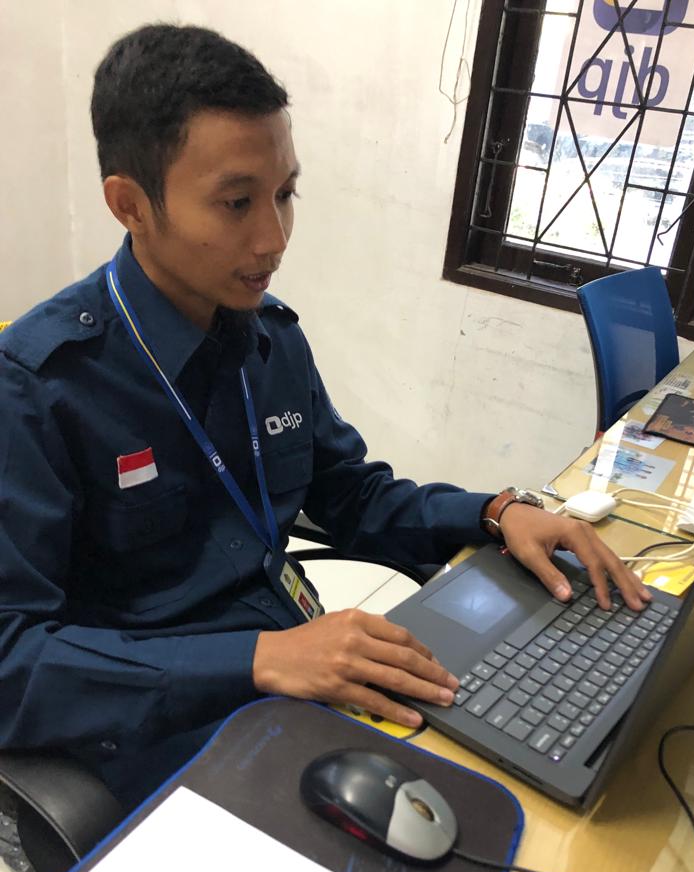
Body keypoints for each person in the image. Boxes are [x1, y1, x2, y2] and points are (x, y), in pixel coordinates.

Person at [0, 24, 649, 811]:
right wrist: (257, 660)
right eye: (237, 203)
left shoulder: (268, 338)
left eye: (285, 195)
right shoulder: (38, 388)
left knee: (534, 762)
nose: (273, 238)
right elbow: (11, 661)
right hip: (156, 730)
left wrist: (495, 512)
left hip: (303, 676)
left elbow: (350, 493)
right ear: (130, 204)